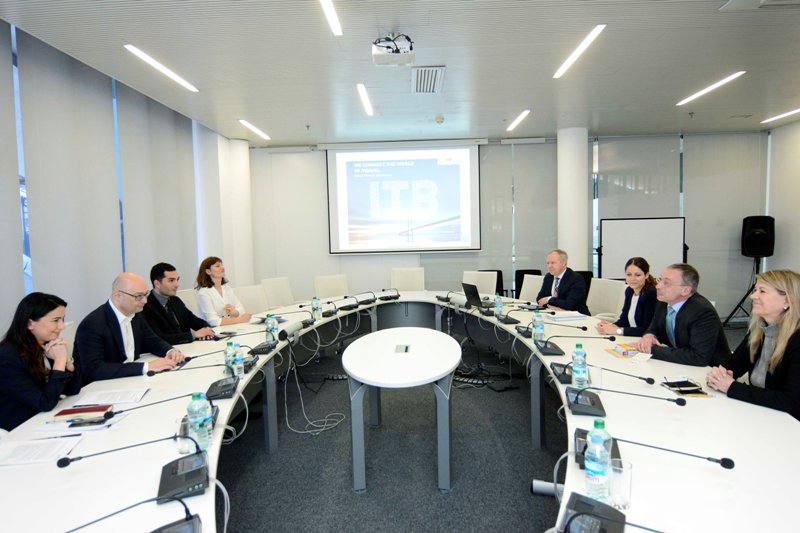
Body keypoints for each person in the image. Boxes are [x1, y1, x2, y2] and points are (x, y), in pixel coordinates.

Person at [707, 270, 800, 419]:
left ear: (787, 301)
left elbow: (792, 402)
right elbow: (733, 364)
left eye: (762, 291)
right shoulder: (760, 330)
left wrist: (731, 387)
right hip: (764, 413)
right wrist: (719, 375)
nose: (753, 296)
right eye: (755, 290)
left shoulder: (797, 340)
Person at [73, 273, 186, 384]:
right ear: (118, 296)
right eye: (138, 296)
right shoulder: (93, 324)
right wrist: (147, 366)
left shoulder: (135, 314)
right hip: (102, 386)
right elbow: (94, 370)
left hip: (130, 380)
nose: (145, 301)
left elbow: (152, 340)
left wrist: (170, 351)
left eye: (145, 294)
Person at [0, 293, 81, 431]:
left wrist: (67, 362)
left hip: (43, 420)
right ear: (29, 323)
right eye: (55, 320)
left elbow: (73, 389)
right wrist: (59, 362)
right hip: (19, 429)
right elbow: (44, 403)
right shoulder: (7, 358)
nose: (62, 326)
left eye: (62, 319)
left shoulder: (46, 345)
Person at [634, 263, 729, 367]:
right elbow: (654, 327)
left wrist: (651, 350)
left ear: (685, 290)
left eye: (666, 283)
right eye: (660, 279)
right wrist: (649, 336)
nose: (658, 286)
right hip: (678, 363)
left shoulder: (703, 312)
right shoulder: (664, 301)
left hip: (711, 370)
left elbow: (698, 357)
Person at [143, 262, 216, 344]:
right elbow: (158, 338)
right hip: (169, 350)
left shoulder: (175, 300)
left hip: (189, 347)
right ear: (157, 284)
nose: (177, 284)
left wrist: (206, 329)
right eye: (171, 280)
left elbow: (195, 321)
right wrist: (194, 335)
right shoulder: (145, 306)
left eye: (177, 280)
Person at [596, 257, 658, 337]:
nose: (632, 279)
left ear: (646, 275)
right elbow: (624, 320)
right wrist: (611, 326)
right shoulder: (629, 291)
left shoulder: (651, 294)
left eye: (637, 275)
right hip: (632, 338)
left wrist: (617, 330)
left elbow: (647, 330)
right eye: (629, 275)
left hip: (646, 340)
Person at [195, 256, 252, 327]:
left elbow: (241, 309)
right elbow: (213, 321)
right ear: (208, 271)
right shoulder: (203, 293)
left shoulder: (227, 288)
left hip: (230, 327)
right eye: (217, 266)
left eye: (222, 265)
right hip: (214, 330)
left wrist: (233, 312)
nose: (222, 268)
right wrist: (239, 320)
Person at [535, 249, 590, 315]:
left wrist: (549, 299)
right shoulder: (549, 277)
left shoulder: (576, 279)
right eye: (548, 263)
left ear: (563, 263)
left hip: (578, 317)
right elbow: (539, 299)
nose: (549, 266)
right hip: (555, 315)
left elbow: (569, 304)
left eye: (553, 263)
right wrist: (551, 306)